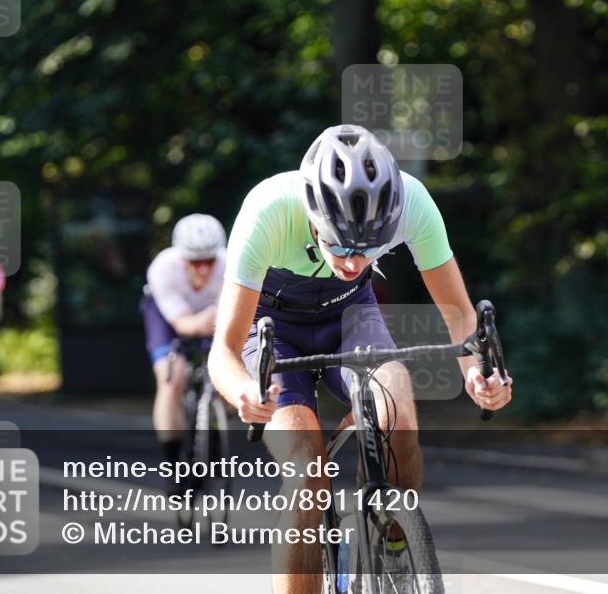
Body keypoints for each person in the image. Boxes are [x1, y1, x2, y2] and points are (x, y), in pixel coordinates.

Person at [208, 124, 512, 594]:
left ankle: (394, 551)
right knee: (306, 466)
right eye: (338, 245)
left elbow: (460, 316)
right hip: (271, 325)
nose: (353, 261)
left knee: (398, 415)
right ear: (311, 215)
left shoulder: (412, 202)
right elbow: (223, 351)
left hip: (350, 314)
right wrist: (244, 391)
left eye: (370, 248)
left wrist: (479, 373)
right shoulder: (267, 209)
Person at [140, 213, 226, 473]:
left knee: (228, 368)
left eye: (209, 260)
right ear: (181, 258)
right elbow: (183, 324)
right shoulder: (163, 268)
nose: (203, 268)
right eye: (195, 261)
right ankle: (173, 459)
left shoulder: (232, 264)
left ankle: (212, 425)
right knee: (172, 377)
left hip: (211, 317)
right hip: (167, 317)